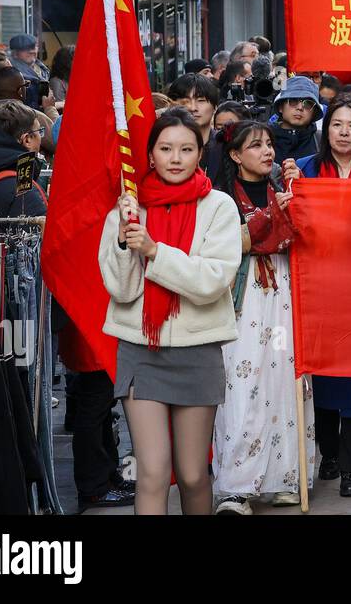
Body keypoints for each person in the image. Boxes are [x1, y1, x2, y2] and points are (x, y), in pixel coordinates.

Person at [98, 108, 241, 514]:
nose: (175, 158)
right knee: (153, 471)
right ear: (150, 154)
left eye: (185, 149)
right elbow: (121, 290)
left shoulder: (219, 207)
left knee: (194, 474)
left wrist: (155, 251)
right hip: (140, 351)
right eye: (165, 148)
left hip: (198, 350)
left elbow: (212, 280)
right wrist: (128, 245)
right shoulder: (127, 208)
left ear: (200, 153)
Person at [211, 119, 315, 514]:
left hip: (282, 293)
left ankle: (285, 476)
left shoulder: (282, 188)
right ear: (235, 155)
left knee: (284, 373)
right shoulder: (221, 198)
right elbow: (225, 243)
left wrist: (297, 196)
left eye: (269, 144)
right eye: (255, 146)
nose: (267, 151)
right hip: (244, 297)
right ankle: (236, 484)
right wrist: (273, 212)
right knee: (242, 381)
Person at [295, 95, 351, 499]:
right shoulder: (307, 170)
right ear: (325, 131)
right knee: (325, 379)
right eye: (336, 125)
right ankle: (329, 454)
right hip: (321, 290)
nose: (343, 133)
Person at [167, 73, 223, 180]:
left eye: (201, 101)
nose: (193, 108)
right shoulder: (162, 147)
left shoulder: (226, 146)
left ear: (215, 107)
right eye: (185, 101)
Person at [269, 75, 323, 163]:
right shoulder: (265, 137)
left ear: (314, 112)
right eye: (293, 101)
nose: (300, 107)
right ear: (280, 107)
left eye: (308, 104)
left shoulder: (322, 141)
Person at [8, 34, 50, 108]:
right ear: (14, 53)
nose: (32, 51)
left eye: (34, 46)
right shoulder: (13, 74)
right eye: (25, 48)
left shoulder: (42, 69)